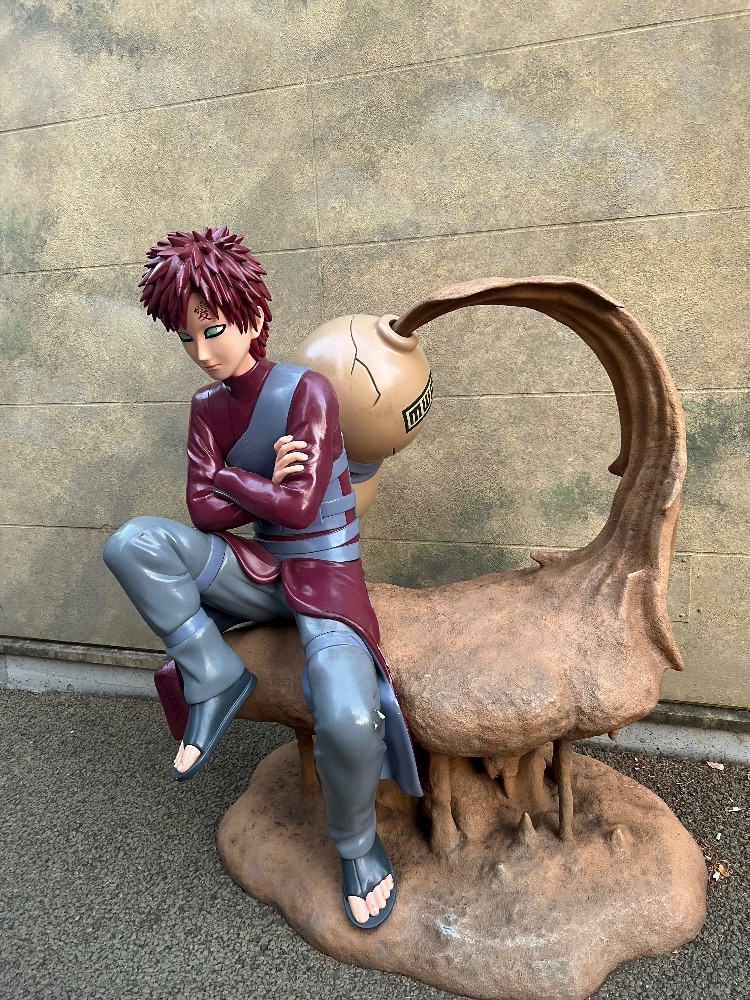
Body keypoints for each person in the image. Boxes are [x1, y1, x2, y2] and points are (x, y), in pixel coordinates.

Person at [103, 226, 421, 929]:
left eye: (213, 329)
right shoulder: (206, 408)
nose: (202, 351)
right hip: (264, 567)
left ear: (252, 316)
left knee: (347, 715)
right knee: (133, 544)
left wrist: (226, 478)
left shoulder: (308, 391)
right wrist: (254, 484)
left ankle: (357, 846)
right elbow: (202, 513)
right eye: (187, 338)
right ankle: (213, 672)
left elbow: (299, 506)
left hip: (328, 573)